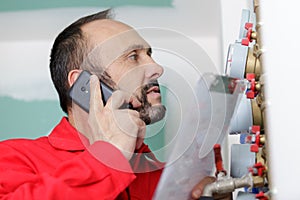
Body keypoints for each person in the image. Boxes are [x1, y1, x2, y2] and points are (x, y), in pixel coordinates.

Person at [0, 9, 223, 199]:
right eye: (133, 57)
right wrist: (109, 157)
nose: (157, 68)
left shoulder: (166, 179)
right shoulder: (12, 158)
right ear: (84, 85)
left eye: (149, 54)